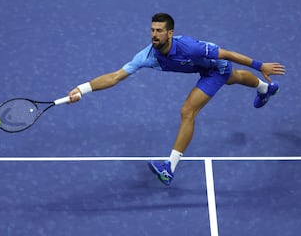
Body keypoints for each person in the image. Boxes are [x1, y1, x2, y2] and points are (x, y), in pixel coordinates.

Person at [68, 13, 285, 186]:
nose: (154, 35)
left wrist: (260, 65)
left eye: (159, 31)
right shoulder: (146, 56)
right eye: (152, 30)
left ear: (170, 33)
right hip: (203, 69)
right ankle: (266, 89)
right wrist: (82, 88)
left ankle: (168, 168)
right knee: (233, 77)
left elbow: (227, 54)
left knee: (188, 111)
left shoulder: (190, 47)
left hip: (214, 68)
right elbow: (115, 77)